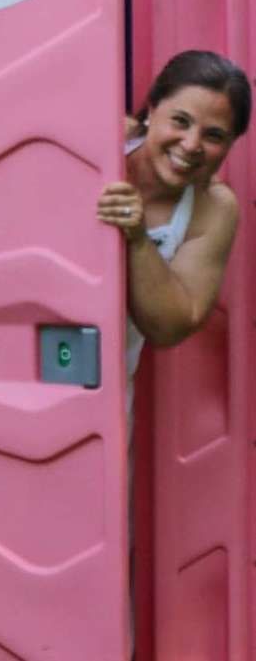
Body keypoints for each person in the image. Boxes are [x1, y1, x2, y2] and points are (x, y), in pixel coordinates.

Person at [97, 50, 250, 429]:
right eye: (180, 121)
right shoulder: (99, 140)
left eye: (213, 135)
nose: (191, 144)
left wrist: (136, 238)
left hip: (103, 405)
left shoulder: (213, 207)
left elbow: (170, 327)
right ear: (152, 109)